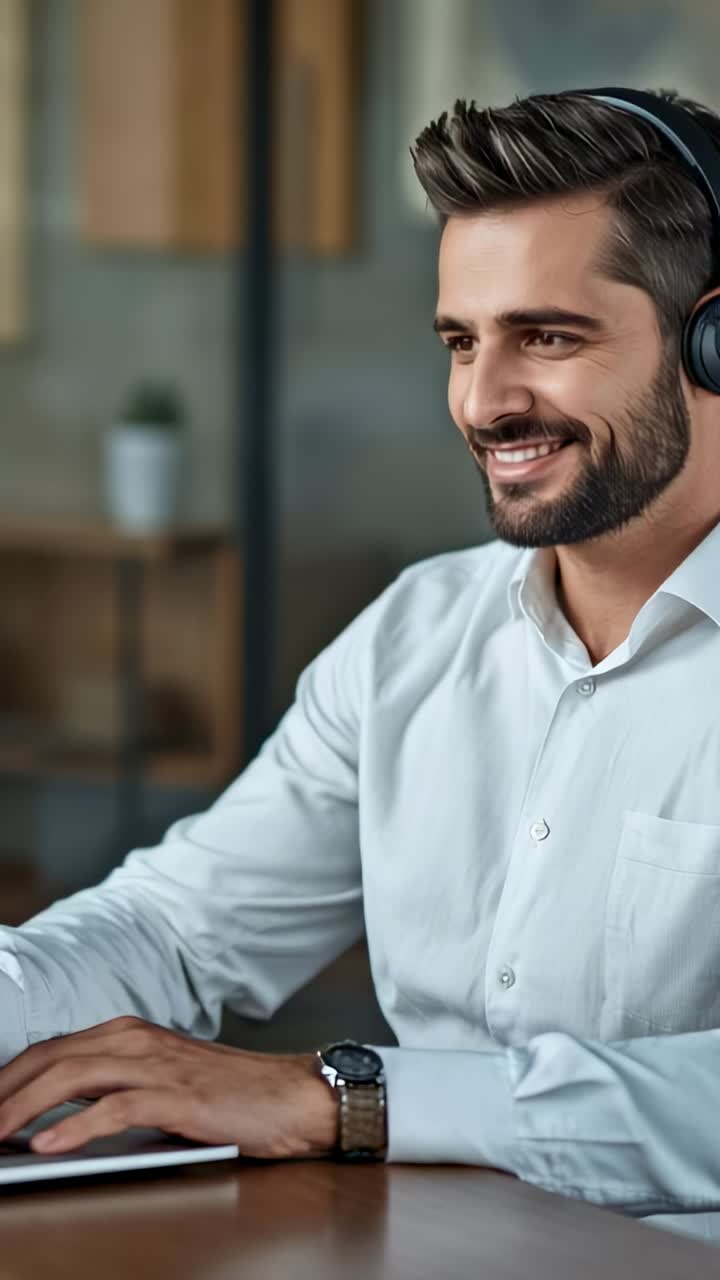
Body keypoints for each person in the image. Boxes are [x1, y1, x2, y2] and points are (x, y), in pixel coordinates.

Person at [1, 85, 720, 1242]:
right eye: (460, 341)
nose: (484, 401)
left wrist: (340, 1095)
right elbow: (181, 930)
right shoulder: (415, 635)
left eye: (547, 335)